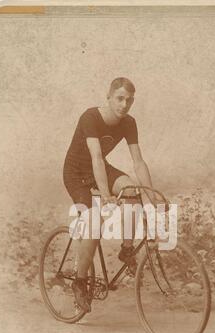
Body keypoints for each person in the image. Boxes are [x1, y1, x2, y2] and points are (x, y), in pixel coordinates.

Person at [63, 77, 155, 313]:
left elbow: (138, 161)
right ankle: (80, 282)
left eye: (129, 100)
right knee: (94, 222)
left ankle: (127, 250)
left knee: (134, 191)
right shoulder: (90, 117)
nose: (124, 105)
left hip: (99, 169)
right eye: (120, 98)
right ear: (109, 96)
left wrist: (152, 197)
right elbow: (94, 157)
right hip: (76, 173)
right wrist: (105, 195)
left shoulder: (129, 123)